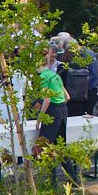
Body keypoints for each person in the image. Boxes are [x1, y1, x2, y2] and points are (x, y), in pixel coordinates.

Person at [34, 42, 80, 183]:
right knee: (61, 146)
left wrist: (40, 119)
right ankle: (73, 179)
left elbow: (46, 100)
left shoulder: (43, 77)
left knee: (44, 145)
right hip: (62, 110)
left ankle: (51, 180)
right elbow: (67, 97)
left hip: (52, 110)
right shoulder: (55, 75)